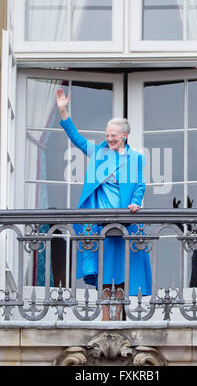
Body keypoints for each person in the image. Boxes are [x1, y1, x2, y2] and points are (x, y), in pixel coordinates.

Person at [56, 88, 152, 320]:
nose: (109, 139)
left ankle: (119, 313)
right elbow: (77, 139)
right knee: (104, 270)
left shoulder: (136, 158)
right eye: (107, 134)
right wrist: (63, 111)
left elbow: (140, 185)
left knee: (121, 271)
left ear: (125, 136)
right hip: (100, 222)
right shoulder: (98, 152)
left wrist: (136, 203)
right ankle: (105, 314)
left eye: (114, 135)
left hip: (125, 222)